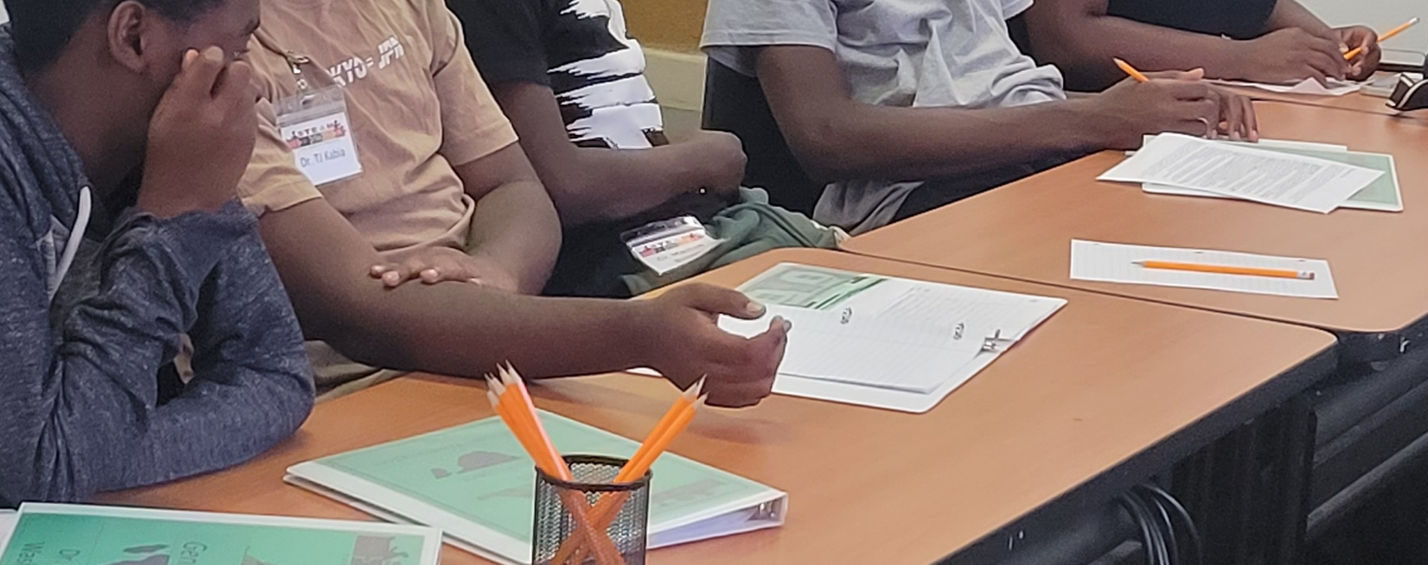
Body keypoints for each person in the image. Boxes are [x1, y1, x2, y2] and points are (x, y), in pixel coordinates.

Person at [239, 0, 787, 403]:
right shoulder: (222, 44)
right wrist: (641, 334)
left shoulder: (406, 7)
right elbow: (358, 310)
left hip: (502, 343)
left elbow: (514, 186)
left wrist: (495, 271)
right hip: (347, 386)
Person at [0, 0, 314, 503]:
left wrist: (81, 452)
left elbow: (276, 373)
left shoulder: (166, 136)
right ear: (133, 37)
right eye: (237, 48)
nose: (251, 85)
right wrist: (174, 218)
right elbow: (35, 474)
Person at [702, 0, 1260, 234]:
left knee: (1222, 220)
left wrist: (1144, 105)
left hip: (1034, 153)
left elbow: (1004, 82)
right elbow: (826, 138)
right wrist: (1092, 119)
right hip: (920, 193)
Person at [448, 0, 843, 298]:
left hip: (696, 227)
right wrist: (704, 159)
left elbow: (626, 132)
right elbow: (561, 187)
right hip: (614, 261)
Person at [1020, 0, 1382, 91]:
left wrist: (1331, 45)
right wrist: (1242, 58)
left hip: (1189, 123)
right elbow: (1064, 38)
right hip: (1080, 122)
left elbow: (1254, 9)